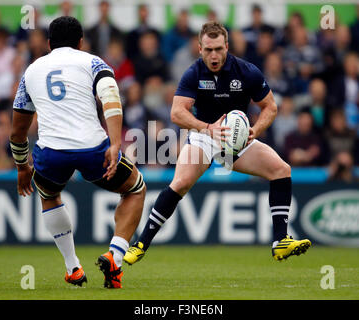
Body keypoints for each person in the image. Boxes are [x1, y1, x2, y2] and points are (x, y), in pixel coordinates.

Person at [124, 21, 311, 265]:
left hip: (236, 138)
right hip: (204, 135)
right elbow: (177, 113)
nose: (214, 55)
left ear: (227, 47)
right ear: (199, 48)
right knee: (180, 183)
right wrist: (206, 128)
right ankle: (141, 244)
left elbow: (270, 107)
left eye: (219, 49)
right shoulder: (194, 72)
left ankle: (280, 241)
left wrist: (255, 129)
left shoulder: (246, 71)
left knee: (281, 170)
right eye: (208, 49)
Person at [9, 16, 146, 289]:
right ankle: (115, 257)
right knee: (135, 190)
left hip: (51, 152)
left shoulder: (32, 71)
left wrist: (22, 166)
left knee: (49, 195)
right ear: (81, 41)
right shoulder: (93, 62)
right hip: (92, 148)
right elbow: (111, 97)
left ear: (48, 44)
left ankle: (73, 267)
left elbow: (18, 131)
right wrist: (116, 143)